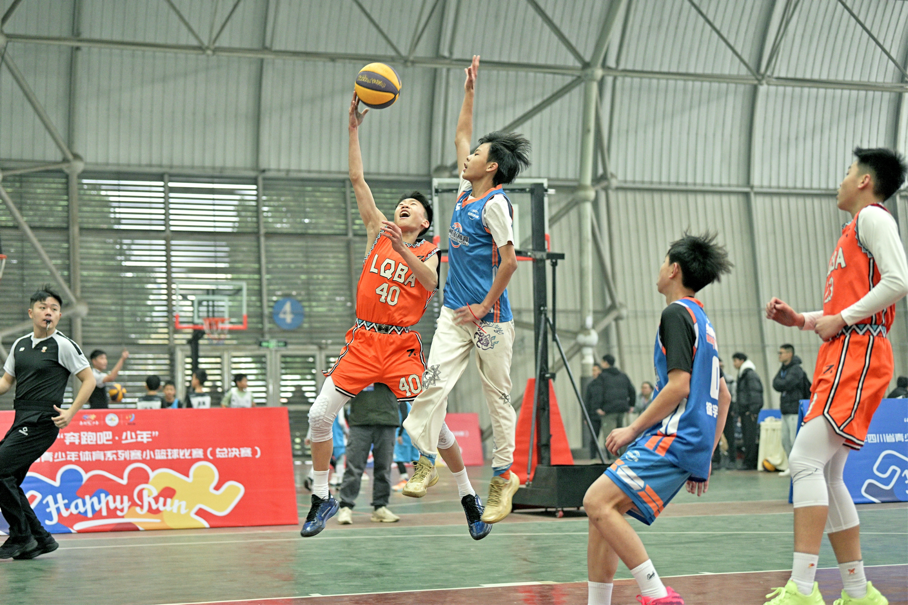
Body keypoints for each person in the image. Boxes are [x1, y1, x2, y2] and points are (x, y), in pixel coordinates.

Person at [300, 91, 490, 542]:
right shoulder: (378, 232)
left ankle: (469, 498)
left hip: (401, 345)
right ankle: (322, 497)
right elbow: (357, 178)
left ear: (424, 222)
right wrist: (352, 129)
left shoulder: (430, 249)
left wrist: (404, 249)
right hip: (363, 341)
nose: (404, 205)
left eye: (414, 206)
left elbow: (430, 282)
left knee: (436, 428)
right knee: (318, 416)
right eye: (401, 203)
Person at [764, 147, 906, 605]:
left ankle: (803, 588)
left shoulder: (873, 218)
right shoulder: (853, 230)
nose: (841, 180)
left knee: (805, 461)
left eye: (848, 172)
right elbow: (838, 312)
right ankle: (858, 591)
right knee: (827, 473)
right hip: (844, 351)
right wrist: (802, 320)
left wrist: (841, 319)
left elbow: (898, 281)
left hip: (857, 352)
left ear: (865, 181)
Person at [402, 55, 530, 525]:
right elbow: (460, 133)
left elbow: (510, 262)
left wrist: (483, 305)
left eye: (477, 154)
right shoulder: (463, 191)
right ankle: (425, 461)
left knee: (498, 400)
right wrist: (469, 91)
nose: (467, 155)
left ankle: (502, 478)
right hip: (454, 313)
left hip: (490, 321)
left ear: (490, 167)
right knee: (432, 382)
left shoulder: (495, 205)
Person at [584, 233, 732, 605]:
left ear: (673, 269)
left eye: (663, 262)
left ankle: (657, 594)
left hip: (675, 435)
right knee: (605, 513)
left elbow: (679, 386)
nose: (659, 268)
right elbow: (724, 396)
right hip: (692, 440)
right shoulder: (702, 321)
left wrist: (633, 428)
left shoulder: (675, 313)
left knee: (596, 501)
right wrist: (705, 457)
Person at [0, 286, 95, 559]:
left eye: (54, 308)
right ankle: (40, 539)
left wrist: (71, 412)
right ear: (32, 312)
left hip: (42, 421)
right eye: (43, 307)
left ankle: (21, 536)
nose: (48, 312)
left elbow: (88, 379)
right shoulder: (20, 345)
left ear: (59, 315)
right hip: (21, 418)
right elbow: (6, 383)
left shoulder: (63, 345)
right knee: (7, 479)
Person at [336, 383, 402, 525]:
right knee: (354, 466)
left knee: (384, 467)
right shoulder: (358, 369)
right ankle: (346, 507)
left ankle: (380, 507)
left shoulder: (393, 368)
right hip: (360, 421)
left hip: (387, 419)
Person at [772, 344, 811, 466]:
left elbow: (787, 383)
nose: (779, 355)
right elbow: (775, 383)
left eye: (781, 353)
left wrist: (782, 384)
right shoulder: (783, 369)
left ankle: (799, 465)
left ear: (789, 354)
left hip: (794, 410)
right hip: (785, 410)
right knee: (785, 441)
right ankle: (791, 466)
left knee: (794, 440)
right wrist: (782, 383)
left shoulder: (796, 370)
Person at [597, 354, 636, 462]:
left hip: (608, 410)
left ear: (605, 363)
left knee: (609, 436)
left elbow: (598, 393)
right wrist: (631, 405)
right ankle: (623, 457)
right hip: (622, 409)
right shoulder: (623, 376)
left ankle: (612, 459)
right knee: (621, 434)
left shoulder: (602, 377)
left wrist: (598, 407)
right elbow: (632, 390)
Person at [732, 352, 763, 470]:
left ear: (741, 361)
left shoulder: (749, 374)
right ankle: (748, 461)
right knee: (747, 437)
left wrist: (753, 411)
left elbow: (755, 392)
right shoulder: (743, 374)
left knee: (750, 438)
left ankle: (750, 462)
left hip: (749, 412)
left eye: (735, 361)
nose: (734, 364)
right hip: (745, 411)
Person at [392, 400, 420, 491]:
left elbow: (404, 417)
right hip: (413, 433)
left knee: (398, 458)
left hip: (403, 434)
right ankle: (418, 482)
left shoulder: (402, 402)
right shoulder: (411, 403)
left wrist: (399, 434)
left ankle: (404, 480)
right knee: (415, 458)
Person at [584, 364, 604, 459]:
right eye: (593, 370)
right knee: (594, 438)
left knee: (608, 437)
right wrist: (586, 417)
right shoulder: (590, 385)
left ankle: (611, 458)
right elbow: (587, 402)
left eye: (595, 370)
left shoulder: (606, 384)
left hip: (605, 415)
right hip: (593, 416)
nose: (593, 373)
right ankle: (593, 458)